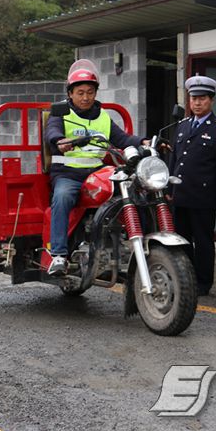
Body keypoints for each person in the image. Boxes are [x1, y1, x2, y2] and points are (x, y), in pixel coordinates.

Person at [44, 59, 150, 276]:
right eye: (80, 92)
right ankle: (59, 255)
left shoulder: (103, 117)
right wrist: (60, 141)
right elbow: (52, 133)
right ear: (71, 94)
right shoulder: (60, 113)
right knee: (62, 197)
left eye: (90, 92)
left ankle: (141, 245)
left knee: (132, 186)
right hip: (68, 174)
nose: (85, 97)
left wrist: (142, 142)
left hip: (97, 172)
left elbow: (122, 138)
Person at [166, 75, 216, 296]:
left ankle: (203, 283)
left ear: (211, 100)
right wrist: (169, 189)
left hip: (203, 197)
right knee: (181, 240)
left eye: (202, 98)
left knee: (203, 242)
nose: (197, 103)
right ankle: (184, 278)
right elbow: (175, 160)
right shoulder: (182, 126)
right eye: (193, 98)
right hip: (180, 195)